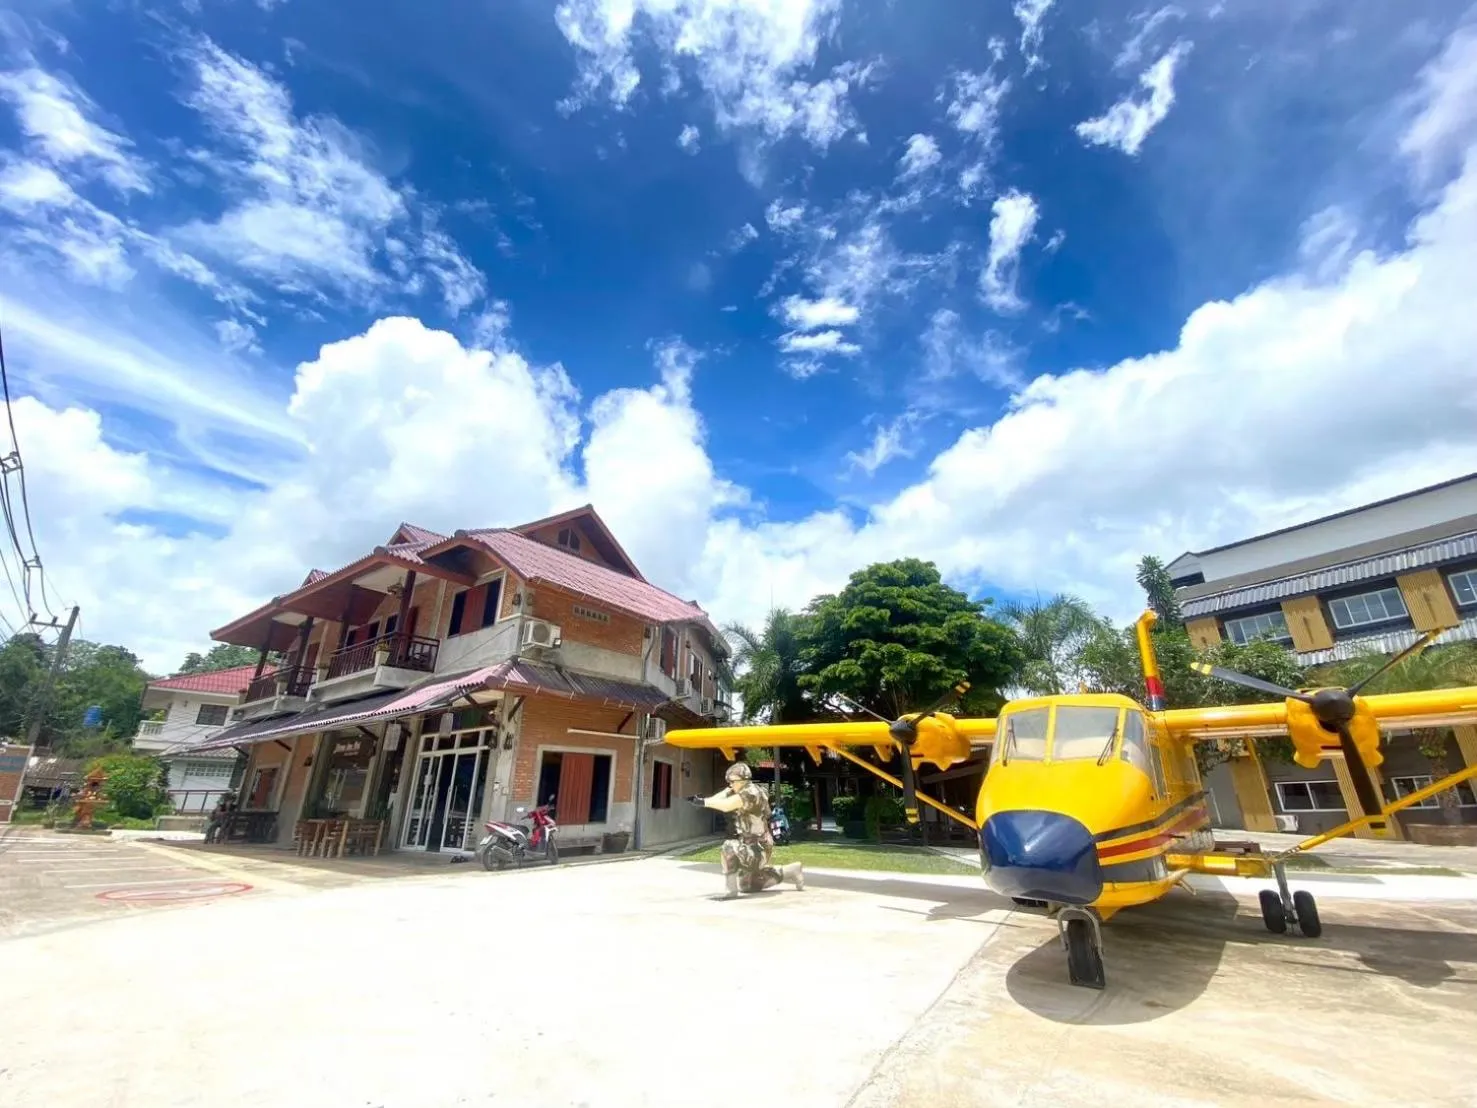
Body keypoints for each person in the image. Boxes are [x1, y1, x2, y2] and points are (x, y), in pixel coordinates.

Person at [689, 762, 803, 899]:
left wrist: (703, 802)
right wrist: (704, 799)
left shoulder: (751, 793)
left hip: (758, 848)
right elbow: (718, 799)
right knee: (748, 886)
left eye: (732, 781)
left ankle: (730, 891)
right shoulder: (743, 789)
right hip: (751, 847)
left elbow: (726, 805)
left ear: (742, 780)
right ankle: (790, 871)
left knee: (728, 847)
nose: (730, 784)